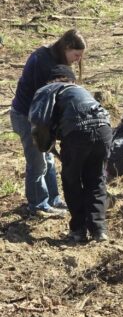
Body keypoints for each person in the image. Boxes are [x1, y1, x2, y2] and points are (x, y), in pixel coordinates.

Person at [29, 65, 111, 242]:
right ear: (72, 80)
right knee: (96, 179)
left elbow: (39, 121)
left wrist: (45, 145)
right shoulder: (80, 90)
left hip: (77, 132)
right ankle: (99, 230)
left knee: (71, 180)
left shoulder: (49, 89)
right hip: (104, 130)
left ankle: (78, 230)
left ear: (52, 80)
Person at [10, 29, 86, 216]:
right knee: (38, 163)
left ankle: (53, 199)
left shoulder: (58, 61)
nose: (78, 60)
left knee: (49, 160)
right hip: (27, 116)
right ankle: (38, 204)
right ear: (67, 47)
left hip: (41, 116)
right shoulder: (41, 61)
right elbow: (41, 103)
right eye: (76, 55)